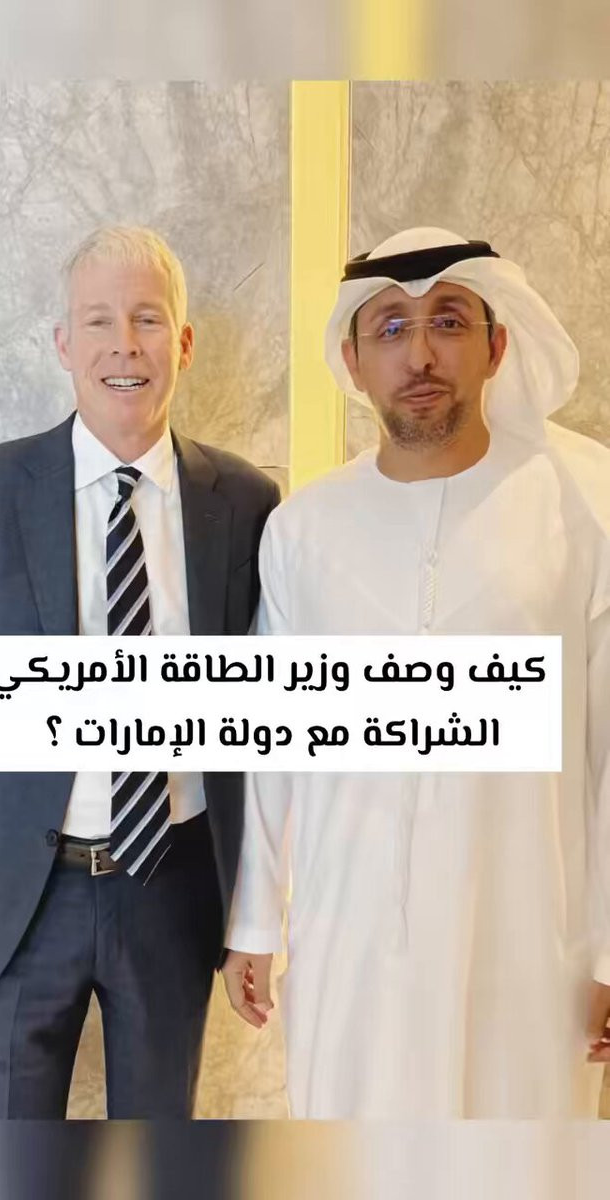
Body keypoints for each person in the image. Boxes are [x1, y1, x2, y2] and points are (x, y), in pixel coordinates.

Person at [223, 227, 610, 1118]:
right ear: (353, 362)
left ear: (496, 346)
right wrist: (253, 921)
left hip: (528, 949)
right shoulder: (304, 528)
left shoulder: (578, 508)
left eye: (448, 321)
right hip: (349, 944)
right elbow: (272, 745)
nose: (421, 354)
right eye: (390, 328)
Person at [0, 225, 280, 1118]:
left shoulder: (247, 503)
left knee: (159, 1152)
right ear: (64, 343)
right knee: (13, 1159)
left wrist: (258, 913)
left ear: (184, 343)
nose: (124, 345)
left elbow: (264, 728)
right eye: (98, 321)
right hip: (17, 897)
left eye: (147, 320)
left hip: (173, 888)